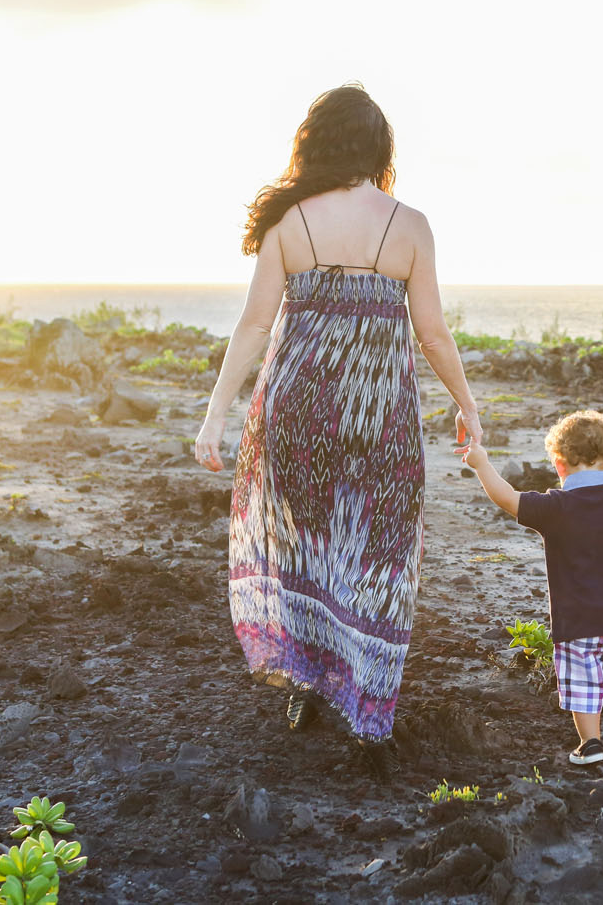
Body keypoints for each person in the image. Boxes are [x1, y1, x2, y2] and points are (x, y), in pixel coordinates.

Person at [193, 84, 481, 774]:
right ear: (379, 150)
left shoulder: (289, 221)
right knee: (378, 551)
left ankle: (307, 682)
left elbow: (256, 325)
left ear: (316, 143)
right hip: (378, 415)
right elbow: (434, 333)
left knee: (307, 545)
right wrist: (467, 403)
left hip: (298, 408)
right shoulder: (409, 224)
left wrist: (215, 414)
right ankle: (368, 703)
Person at [461, 411, 603, 765]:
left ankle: (591, 744)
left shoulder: (555, 506)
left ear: (559, 464)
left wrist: (481, 464)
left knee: (582, 685)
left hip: (576, 623)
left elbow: (507, 498)